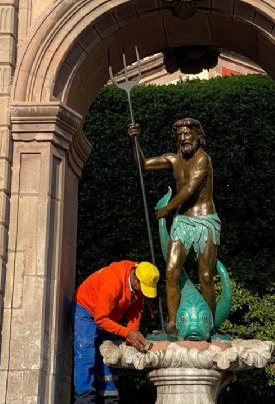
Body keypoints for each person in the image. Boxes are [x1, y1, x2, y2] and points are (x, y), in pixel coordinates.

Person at [128, 118, 219, 336]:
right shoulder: (173, 159)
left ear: (198, 135)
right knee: (171, 271)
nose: (183, 138)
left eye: (187, 134)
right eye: (180, 135)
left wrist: (166, 210)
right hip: (182, 222)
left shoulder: (203, 159)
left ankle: (211, 325)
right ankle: (172, 324)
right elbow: (143, 164)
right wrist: (134, 142)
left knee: (205, 276)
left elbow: (189, 190)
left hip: (205, 221)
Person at [72, 260, 159, 403]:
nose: (143, 291)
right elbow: (100, 319)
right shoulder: (112, 282)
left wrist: (133, 339)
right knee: (86, 354)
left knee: (110, 355)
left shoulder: (140, 279)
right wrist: (126, 333)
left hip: (107, 315)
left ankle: (111, 399)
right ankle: (84, 399)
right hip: (85, 309)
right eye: (143, 287)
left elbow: (134, 315)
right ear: (135, 278)